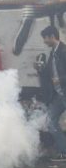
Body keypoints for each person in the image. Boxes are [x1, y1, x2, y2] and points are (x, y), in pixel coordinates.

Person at [36, 26, 66, 161]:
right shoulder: (52, 52)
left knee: (51, 122)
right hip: (59, 96)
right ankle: (64, 152)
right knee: (50, 122)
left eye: (45, 38)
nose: (44, 41)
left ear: (52, 36)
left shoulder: (64, 51)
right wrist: (40, 69)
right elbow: (49, 73)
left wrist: (60, 79)